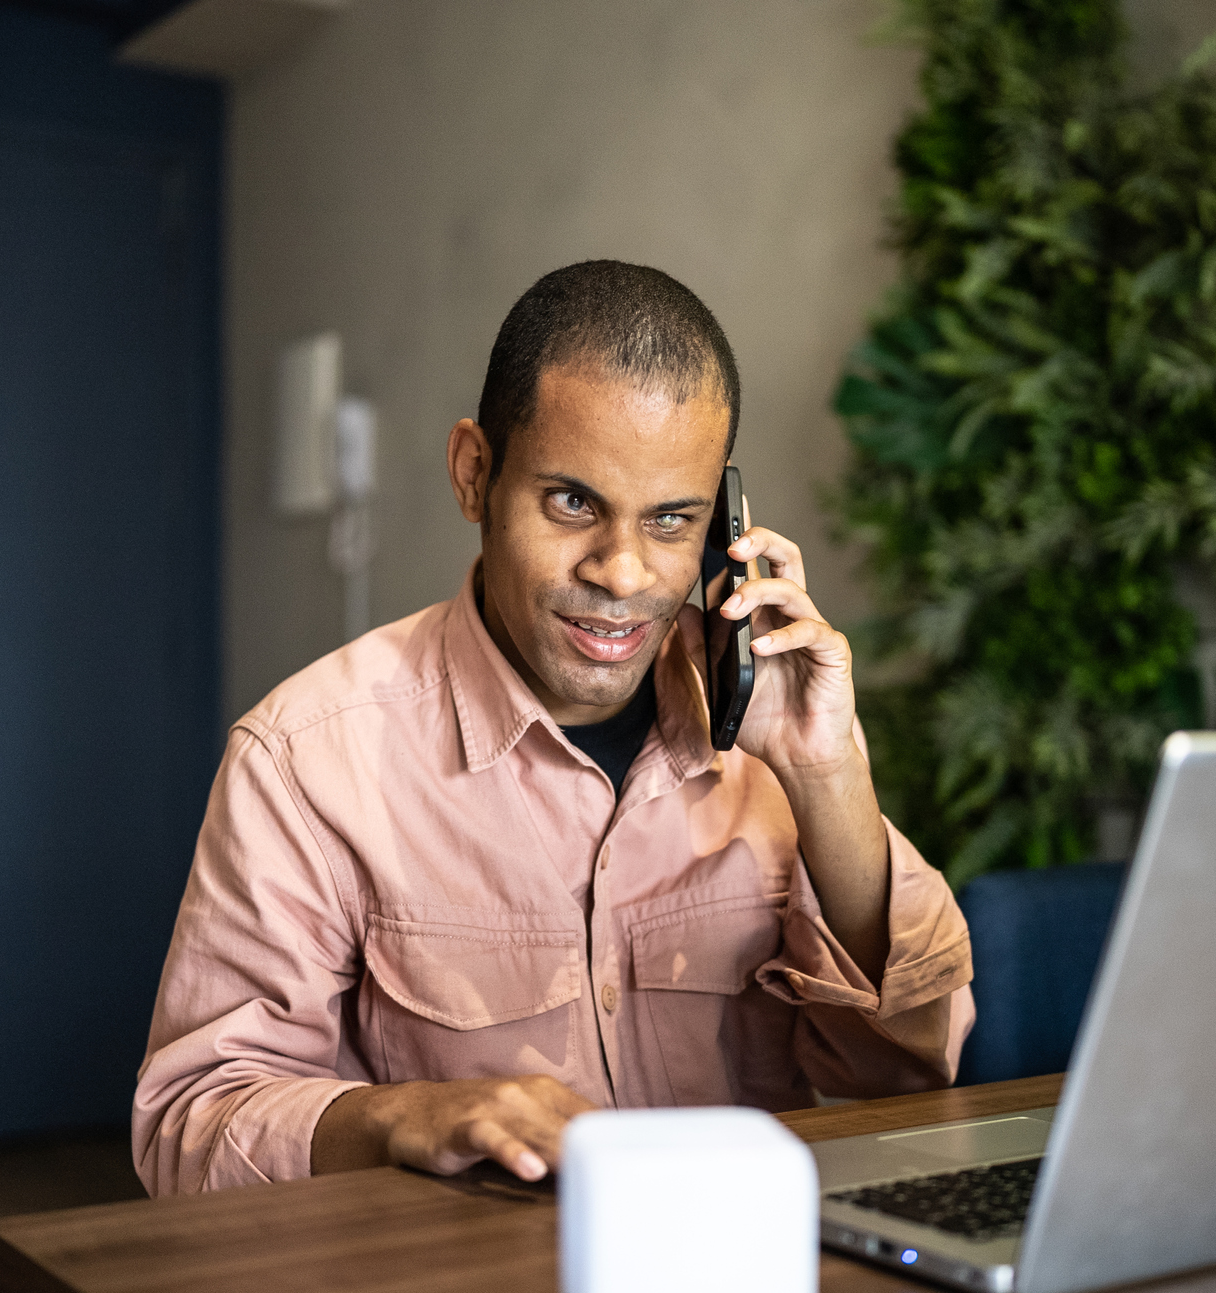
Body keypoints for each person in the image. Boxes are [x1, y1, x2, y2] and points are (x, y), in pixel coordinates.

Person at [133, 261, 973, 1196]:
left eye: (671, 520)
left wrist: (825, 776)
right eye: (574, 502)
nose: (622, 572)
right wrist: (416, 1114)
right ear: (474, 475)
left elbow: (907, 1073)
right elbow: (189, 1129)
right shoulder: (303, 761)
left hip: (739, 1285)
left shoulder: (768, 744)